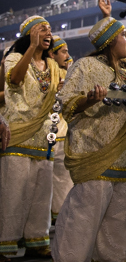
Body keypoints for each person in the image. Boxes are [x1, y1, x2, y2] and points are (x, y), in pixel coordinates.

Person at [52, 17, 126, 261]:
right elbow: (65, 103)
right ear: (110, 41)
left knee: (119, 228)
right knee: (81, 224)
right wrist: (89, 100)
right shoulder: (85, 66)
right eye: (123, 35)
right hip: (95, 153)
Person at [0, 16, 63, 259]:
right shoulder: (15, 58)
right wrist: (31, 48)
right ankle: (5, 243)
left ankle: (37, 240)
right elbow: (14, 79)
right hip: (19, 133)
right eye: (42, 29)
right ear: (29, 34)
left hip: (45, 136)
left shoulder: (53, 67)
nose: (48, 32)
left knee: (41, 193)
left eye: (50, 29)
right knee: (13, 192)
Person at [48, 36, 74, 225]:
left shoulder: (67, 72)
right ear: (52, 54)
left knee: (63, 183)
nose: (68, 55)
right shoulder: (48, 73)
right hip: (49, 133)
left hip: (65, 134)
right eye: (63, 52)